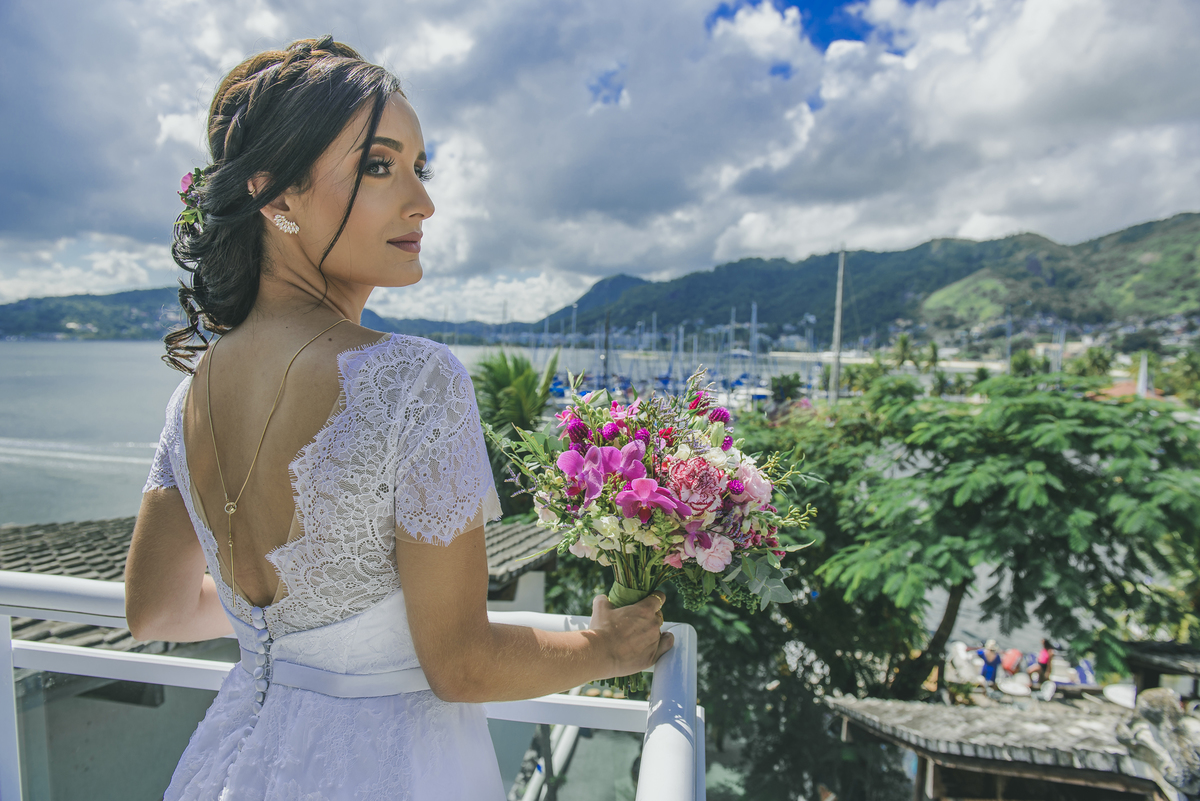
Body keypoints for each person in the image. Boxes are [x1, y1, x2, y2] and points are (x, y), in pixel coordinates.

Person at [123, 37, 673, 800]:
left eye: (421, 166)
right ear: (275, 197)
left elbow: (154, 609)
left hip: (231, 762)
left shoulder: (193, 393)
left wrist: (293, 629)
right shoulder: (412, 377)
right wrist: (605, 646)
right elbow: (461, 664)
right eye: (379, 166)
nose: (423, 201)